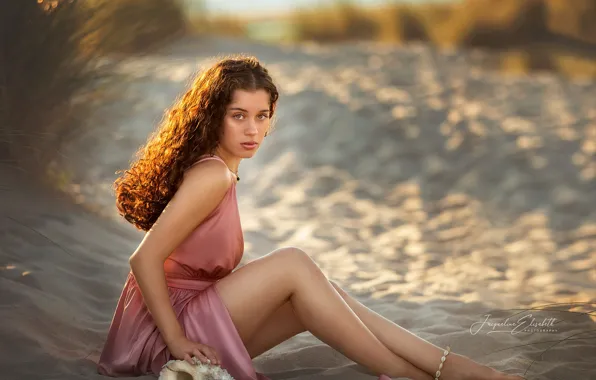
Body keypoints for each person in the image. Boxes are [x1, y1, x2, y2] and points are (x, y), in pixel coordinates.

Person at [97, 55, 525, 380]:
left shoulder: (220, 170)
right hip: (163, 339)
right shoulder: (212, 174)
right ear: (213, 117)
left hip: (182, 322)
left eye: (262, 116)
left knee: (319, 296)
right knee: (294, 262)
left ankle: (440, 371)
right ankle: (446, 373)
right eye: (238, 116)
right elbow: (143, 259)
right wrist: (176, 339)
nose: (252, 130)